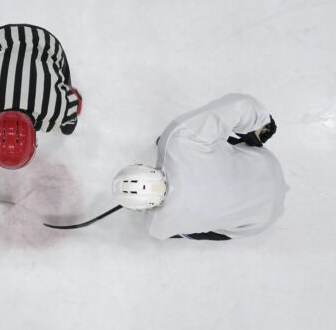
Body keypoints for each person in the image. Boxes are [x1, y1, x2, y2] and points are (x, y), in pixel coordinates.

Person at [111, 94, 286, 240]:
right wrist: (261, 125)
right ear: (142, 167)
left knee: (191, 229)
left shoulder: (156, 226)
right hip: (266, 165)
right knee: (206, 142)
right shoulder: (177, 140)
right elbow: (240, 107)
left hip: (263, 219)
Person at [0, 23, 83, 169]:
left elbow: (76, 101)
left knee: (67, 122)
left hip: (46, 44)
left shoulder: (58, 109)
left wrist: (56, 111)